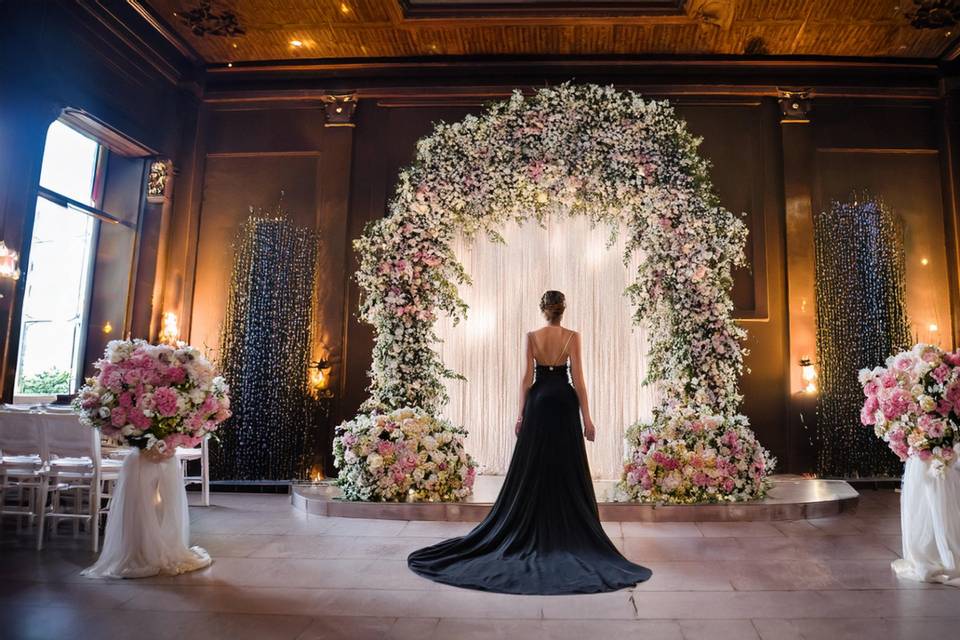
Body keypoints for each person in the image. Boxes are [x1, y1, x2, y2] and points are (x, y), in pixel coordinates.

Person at [407, 290, 652, 594]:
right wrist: (587, 419)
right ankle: (565, 525)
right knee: (564, 464)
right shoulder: (572, 337)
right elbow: (579, 380)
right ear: (563, 310)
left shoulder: (531, 337)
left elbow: (526, 378)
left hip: (538, 402)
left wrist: (520, 415)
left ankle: (529, 519)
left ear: (543, 310)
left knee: (533, 464)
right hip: (563, 402)